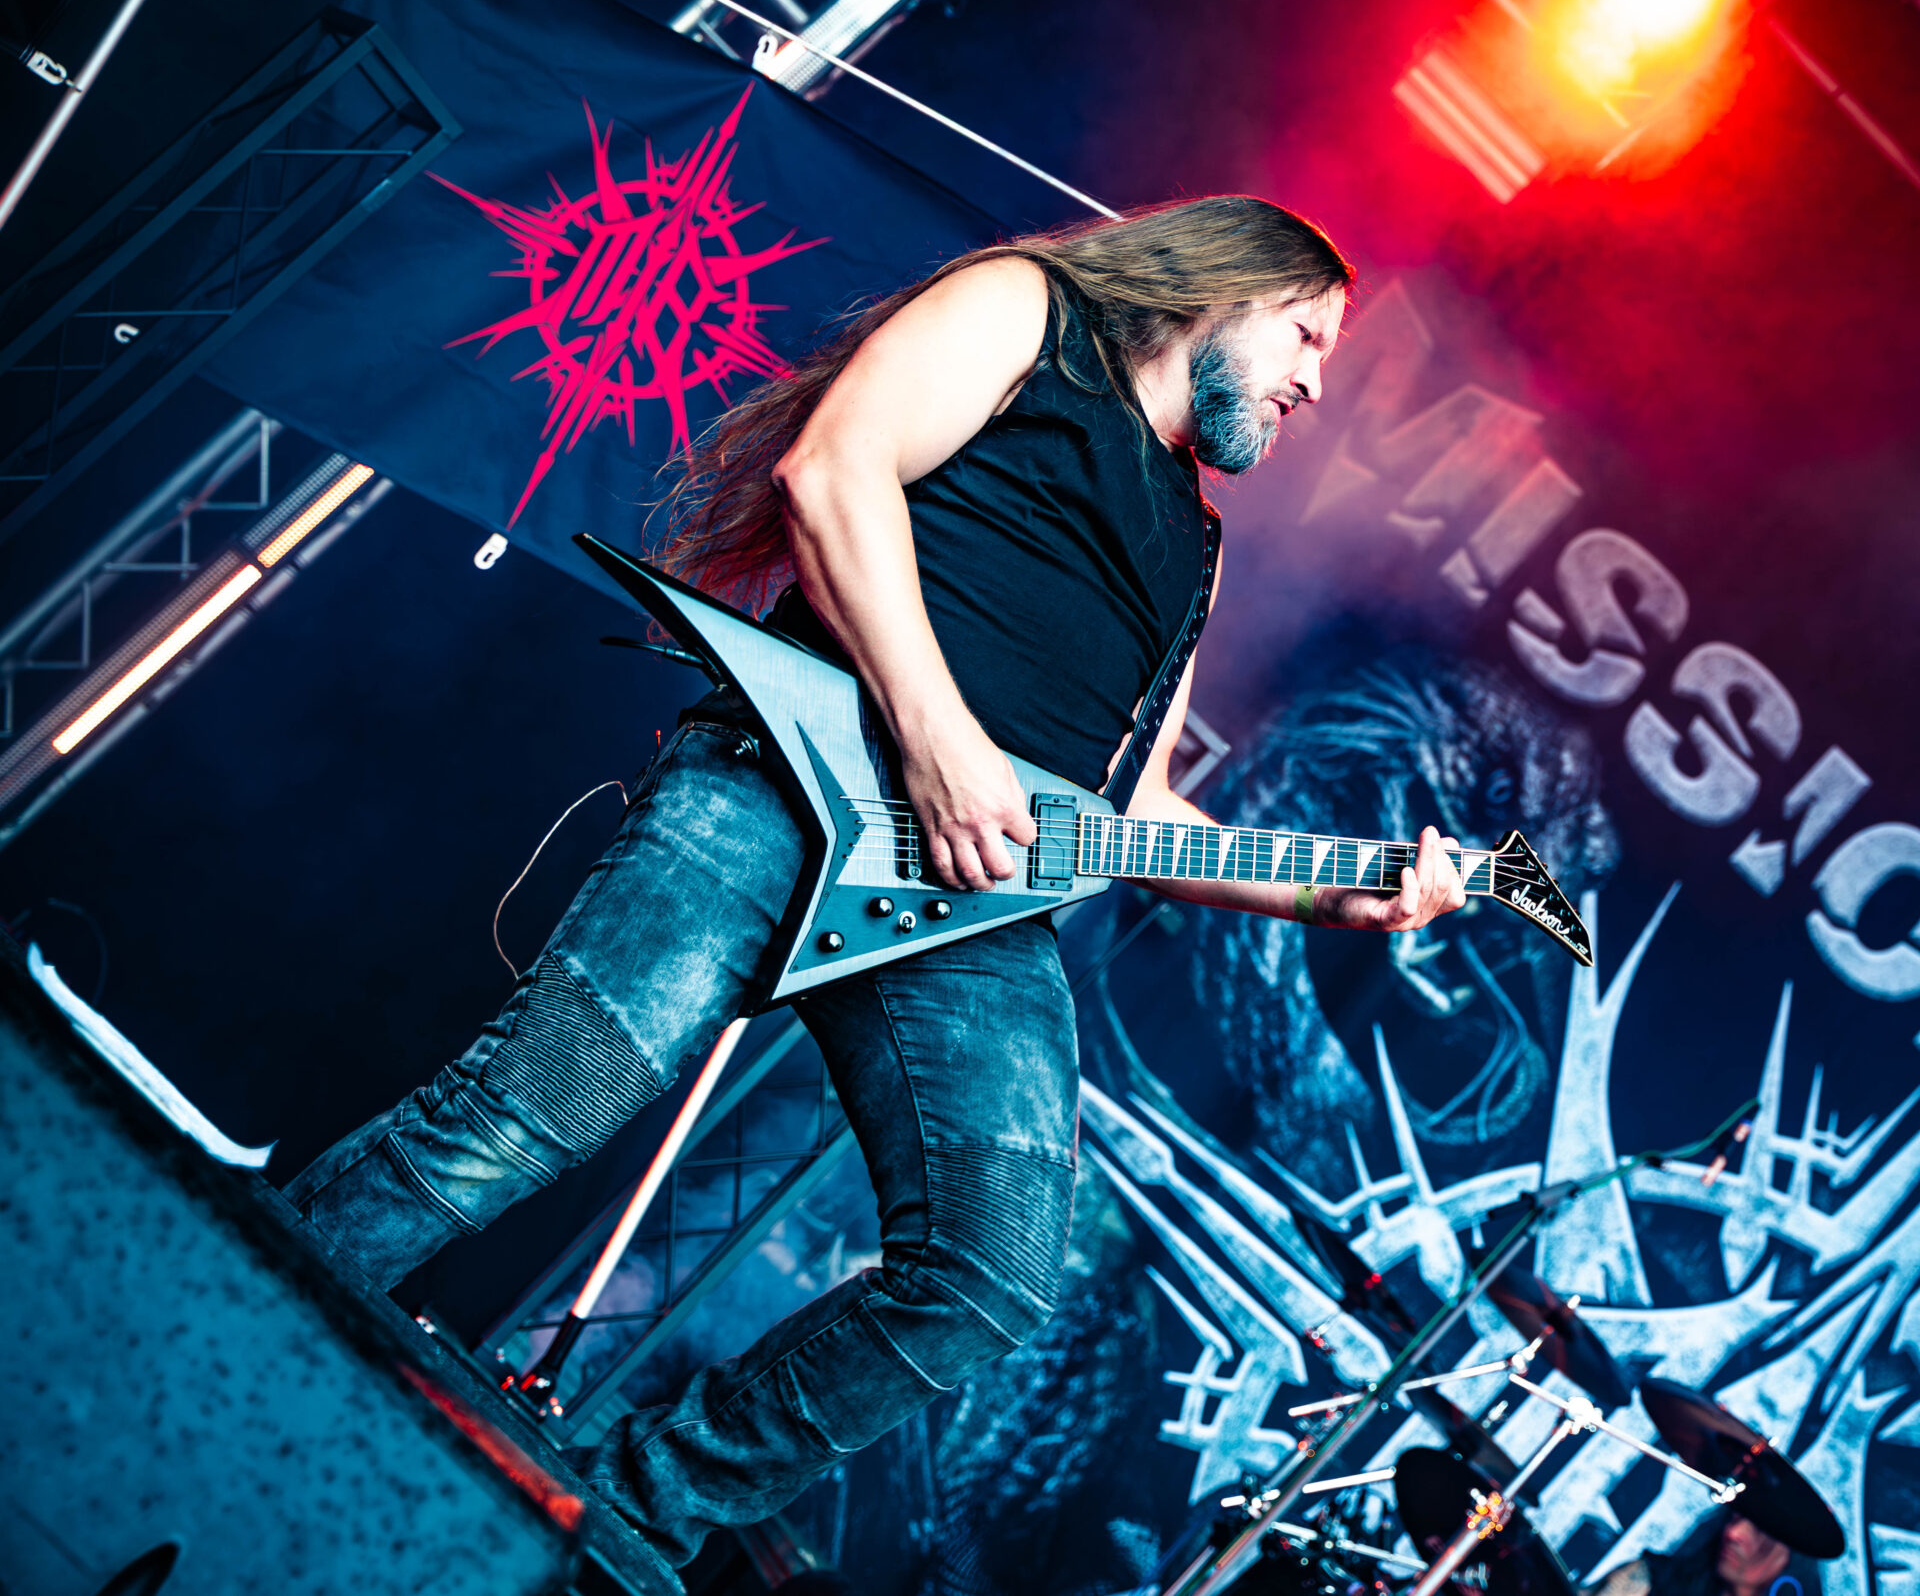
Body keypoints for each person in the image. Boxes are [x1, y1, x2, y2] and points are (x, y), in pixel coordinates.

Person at [280, 196, 1468, 1565]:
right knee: (522, 1112)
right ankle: (217, 1298)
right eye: (1307, 337)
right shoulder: (1031, 311)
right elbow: (834, 472)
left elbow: (1135, 807)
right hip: (790, 783)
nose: (1316, 381)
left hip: (967, 901)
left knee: (991, 1271)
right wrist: (939, 739)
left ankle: (614, 1514)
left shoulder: (1194, 543)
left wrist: (1337, 893)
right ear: (1224, 288)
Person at [1586, 1514, 1822, 1596]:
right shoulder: (1652, 1579)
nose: (1734, 1532)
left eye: (1761, 1530)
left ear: (1789, 1557)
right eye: (1736, 1517)